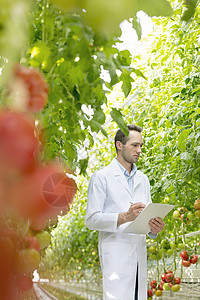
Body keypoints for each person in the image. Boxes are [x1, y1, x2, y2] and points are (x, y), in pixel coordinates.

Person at [85, 125, 165, 300]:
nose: (139, 150)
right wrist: (124, 217)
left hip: (139, 255)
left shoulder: (143, 180)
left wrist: (153, 229)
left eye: (141, 146)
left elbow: (146, 218)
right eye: (134, 145)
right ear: (119, 145)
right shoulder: (101, 177)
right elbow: (91, 219)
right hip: (116, 256)